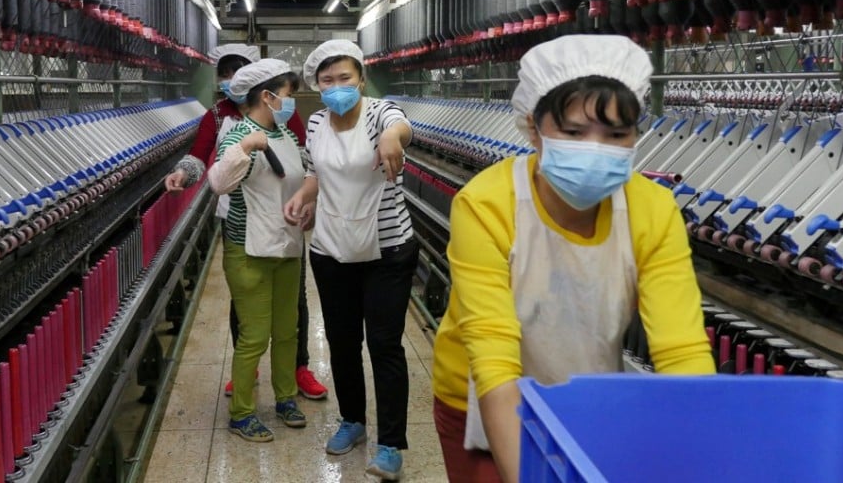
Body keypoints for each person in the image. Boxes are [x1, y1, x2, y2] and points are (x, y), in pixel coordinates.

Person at [430, 34, 716, 483]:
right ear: (533, 127)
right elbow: (494, 357)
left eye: (617, 134)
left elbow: (682, 351)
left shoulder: (654, 210)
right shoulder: (486, 204)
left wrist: (707, 454)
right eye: (574, 132)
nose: (596, 148)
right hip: (481, 397)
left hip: (587, 394)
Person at [283, 40, 418, 482]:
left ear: (361, 78)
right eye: (328, 81)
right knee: (342, 341)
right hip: (331, 247)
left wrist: (394, 138)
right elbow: (314, 173)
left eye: (345, 78)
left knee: (384, 343)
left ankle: (392, 442)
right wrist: (304, 198)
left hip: (387, 248)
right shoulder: (318, 121)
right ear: (316, 87)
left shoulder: (381, 113)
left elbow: (401, 126)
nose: (337, 87)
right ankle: (353, 421)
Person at [164, 44, 327, 401]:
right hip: (241, 219)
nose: (230, 80)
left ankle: (298, 367)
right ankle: (247, 368)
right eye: (225, 73)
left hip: (284, 221)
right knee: (248, 305)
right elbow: (201, 157)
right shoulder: (219, 116)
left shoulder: (284, 120)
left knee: (292, 306)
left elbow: (301, 158)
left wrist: (309, 196)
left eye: (238, 72)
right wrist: (183, 173)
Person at [208, 59, 313, 442]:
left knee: (288, 329)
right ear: (267, 96)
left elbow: (300, 181)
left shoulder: (286, 135)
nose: (292, 103)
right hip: (248, 248)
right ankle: (242, 413)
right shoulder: (238, 134)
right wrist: (245, 147)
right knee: (255, 334)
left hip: (287, 245)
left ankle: (285, 398)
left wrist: (308, 209)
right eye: (287, 95)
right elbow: (218, 182)